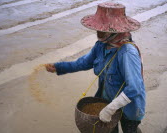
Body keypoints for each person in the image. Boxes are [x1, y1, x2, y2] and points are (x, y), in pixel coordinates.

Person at [45, 2, 145, 133]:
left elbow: (135, 88)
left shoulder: (127, 53)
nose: (98, 32)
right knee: (110, 130)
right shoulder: (101, 46)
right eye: (98, 28)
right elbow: (83, 63)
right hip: (106, 100)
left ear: (114, 30)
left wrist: (111, 109)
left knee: (130, 130)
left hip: (129, 107)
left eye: (102, 29)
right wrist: (58, 67)